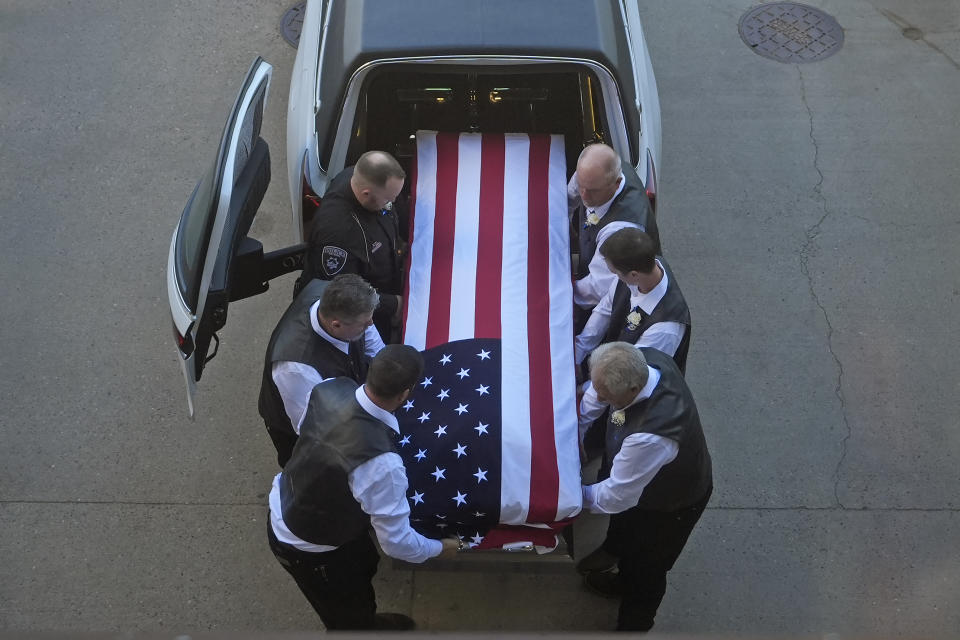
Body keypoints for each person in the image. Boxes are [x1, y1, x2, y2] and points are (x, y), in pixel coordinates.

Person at [266, 345, 460, 630]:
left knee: (365, 564)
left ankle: (368, 618)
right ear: (405, 394)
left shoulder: (330, 388)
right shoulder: (383, 464)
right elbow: (396, 543)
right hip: (308, 546)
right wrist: (439, 549)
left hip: (298, 501)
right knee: (347, 617)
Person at [578, 343, 712, 632]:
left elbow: (615, 496)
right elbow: (595, 397)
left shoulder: (651, 435)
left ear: (632, 390)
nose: (599, 397)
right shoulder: (642, 358)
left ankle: (634, 624)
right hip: (641, 485)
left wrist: (570, 496)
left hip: (671, 504)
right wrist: (578, 427)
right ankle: (617, 565)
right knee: (625, 530)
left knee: (647, 569)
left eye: (607, 395)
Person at [575, 227, 691, 446]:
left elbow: (623, 375)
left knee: (613, 442)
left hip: (635, 403)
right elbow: (605, 309)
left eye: (616, 273)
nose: (615, 278)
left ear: (634, 275)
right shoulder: (642, 269)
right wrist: (578, 350)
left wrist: (580, 423)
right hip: (613, 369)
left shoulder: (664, 329)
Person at [258, 274, 385, 467]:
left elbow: (374, 345)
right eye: (364, 323)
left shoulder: (340, 300)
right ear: (336, 325)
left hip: (342, 397)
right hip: (303, 431)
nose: (371, 324)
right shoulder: (295, 367)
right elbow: (314, 428)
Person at [302, 150, 406, 341]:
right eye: (388, 200)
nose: (392, 203)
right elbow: (345, 293)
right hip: (364, 316)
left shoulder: (361, 178)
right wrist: (393, 305)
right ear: (366, 194)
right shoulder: (338, 234)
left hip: (385, 288)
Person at [568, 143, 660, 328]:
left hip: (618, 295)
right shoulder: (593, 175)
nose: (584, 195)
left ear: (616, 183)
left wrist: (559, 294)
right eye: (582, 184)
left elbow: (597, 289)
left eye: (593, 190)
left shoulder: (620, 229)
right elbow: (570, 198)